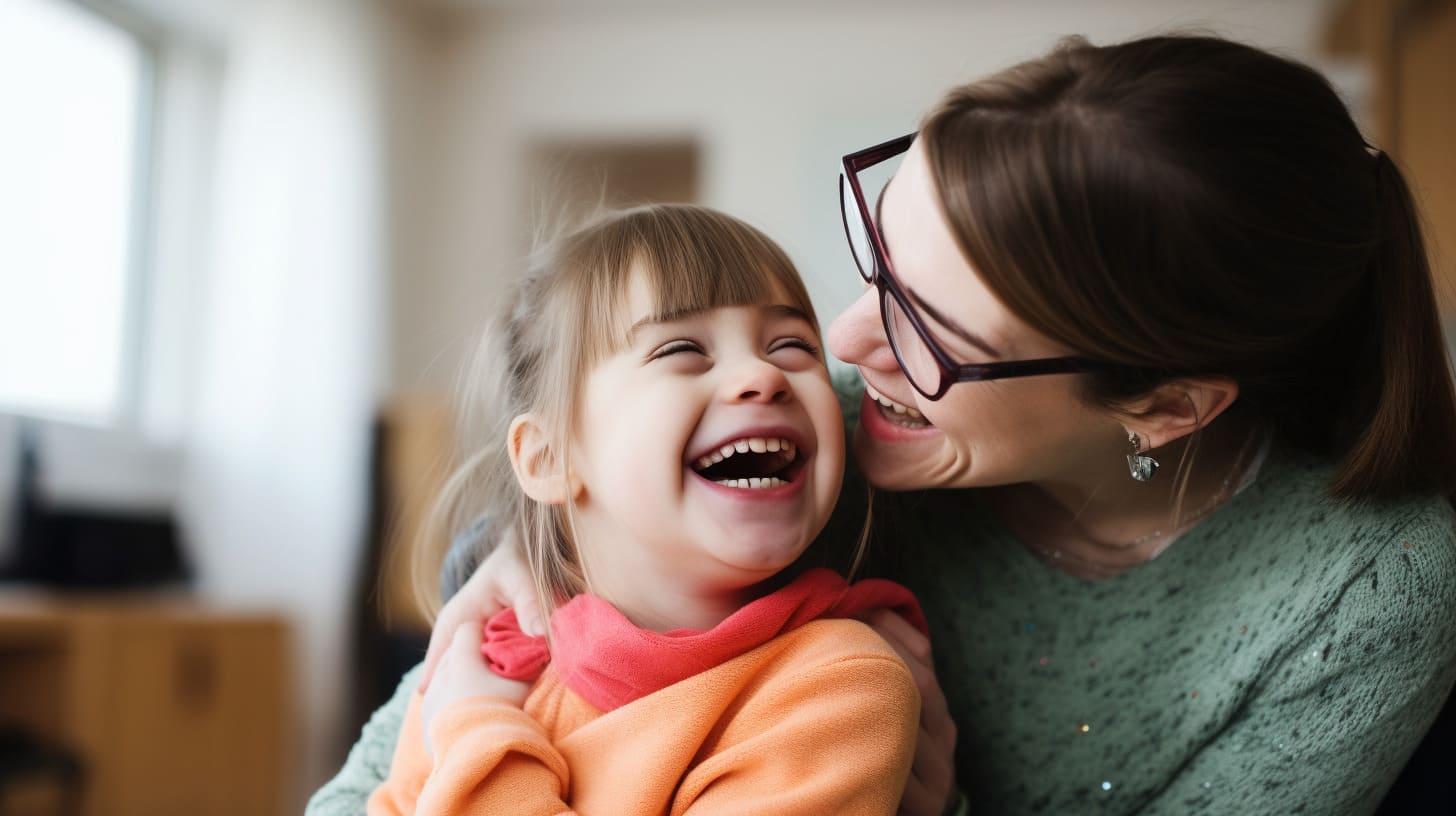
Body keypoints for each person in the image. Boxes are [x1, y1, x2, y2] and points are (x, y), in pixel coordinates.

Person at [312, 33, 1456, 815]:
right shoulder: (820, 446)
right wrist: (546, 543)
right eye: (878, 260)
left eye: (932, 330)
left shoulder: (1371, 593)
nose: (846, 347)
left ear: (1166, 406)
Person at [358, 204, 923, 815]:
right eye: (683, 348)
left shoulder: (840, 687)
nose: (763, 375)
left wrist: (475, 734)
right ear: (549, 459)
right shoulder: (488, 659)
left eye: (791, 345)